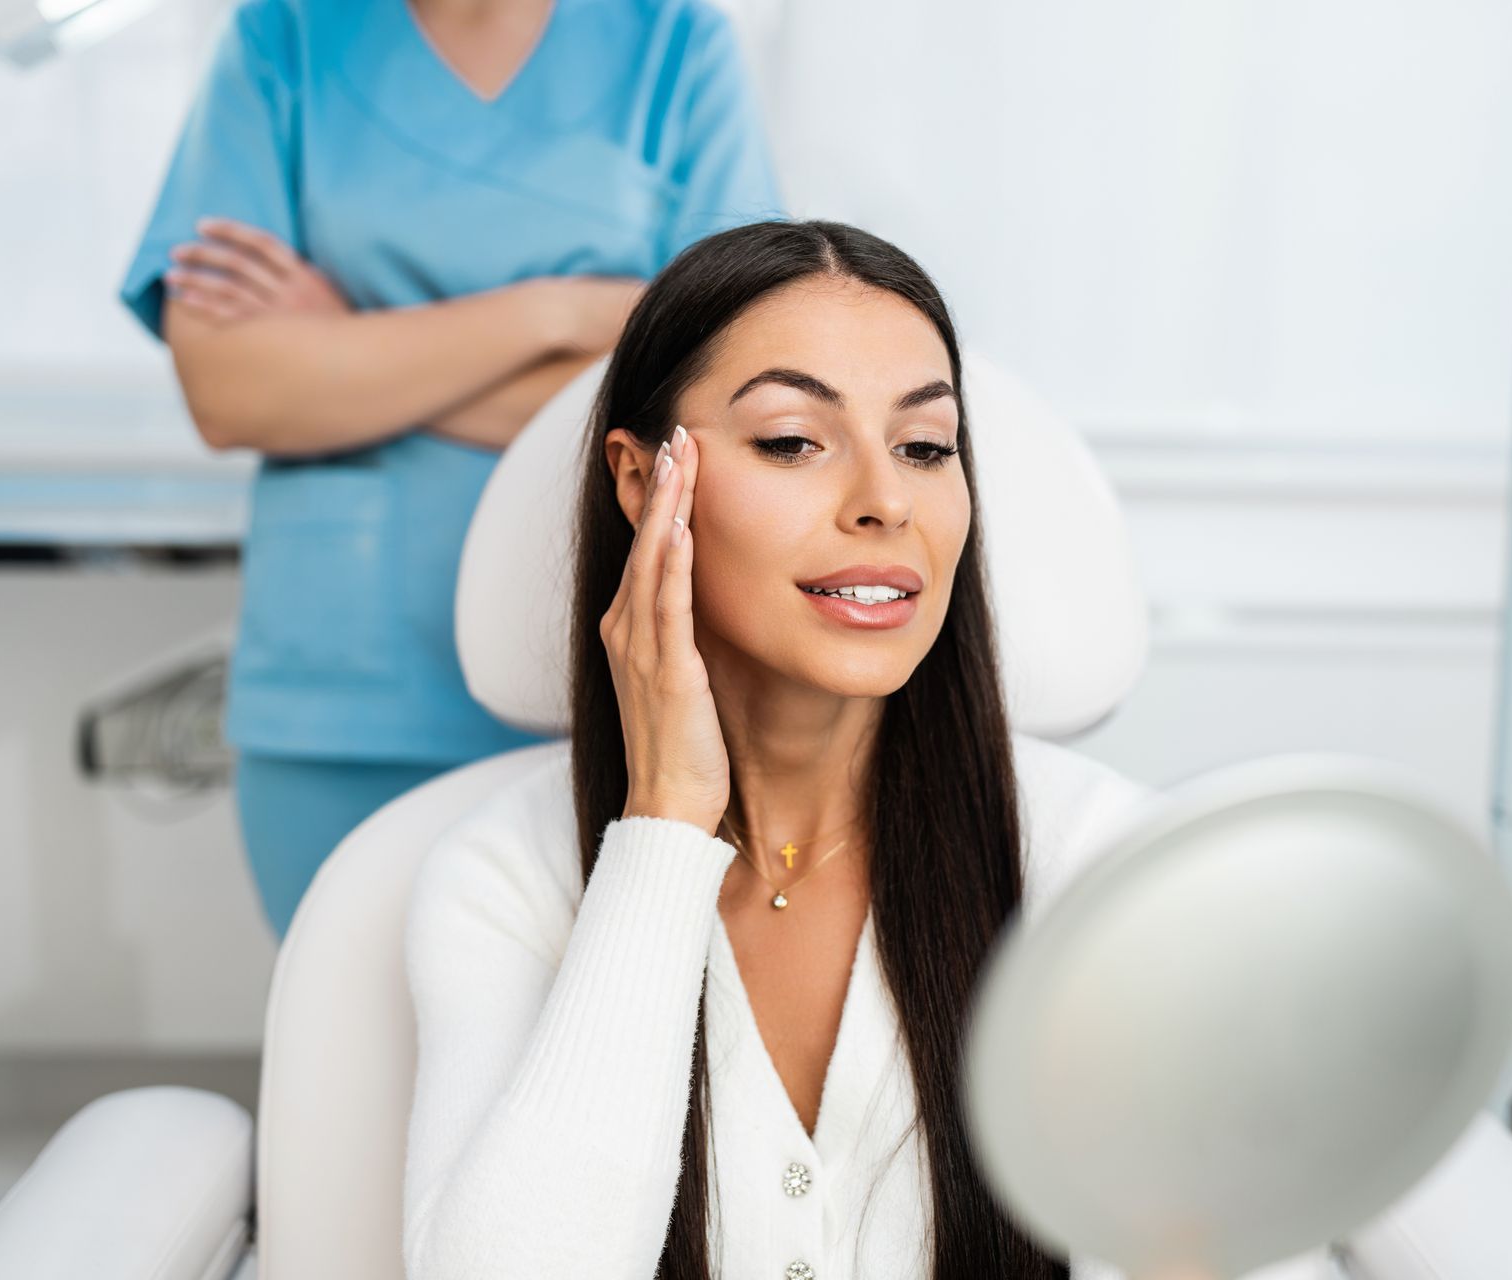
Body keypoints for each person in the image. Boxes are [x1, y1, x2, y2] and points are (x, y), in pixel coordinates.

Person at [400, 220, 1157, 1279]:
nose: (886, 501)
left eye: (926, 447)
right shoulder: (501, 877)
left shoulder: (1107, 862)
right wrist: (663, 823)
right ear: (640, 480)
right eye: (794, 440)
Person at [115, 0, 785, 938]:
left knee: (608, 1049)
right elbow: (231, 391)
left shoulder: (671, 40)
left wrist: (344, 349)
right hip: (346, 692)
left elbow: (730, 382)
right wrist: (559, 314)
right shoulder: (287, 34)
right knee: (349, 1064)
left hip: (614, 682)